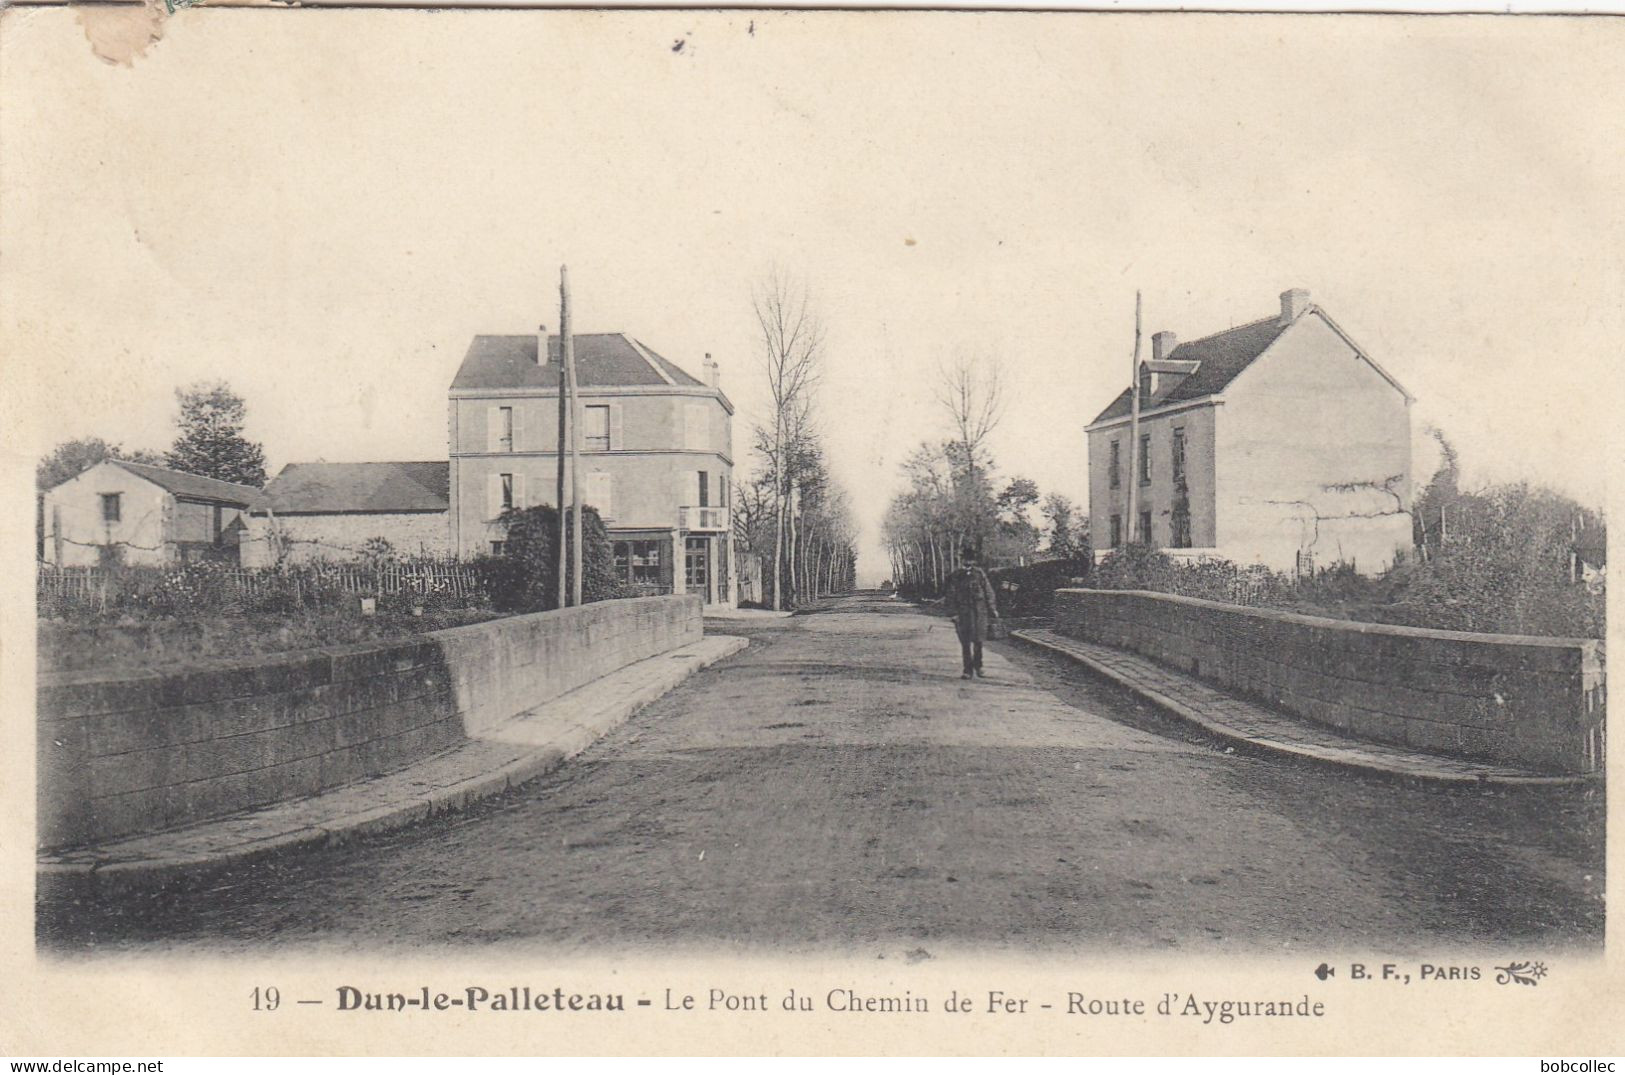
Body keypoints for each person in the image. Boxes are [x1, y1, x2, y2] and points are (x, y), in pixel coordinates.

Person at [943, 546, 1000, 679]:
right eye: (965, 559)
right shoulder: (955, 576)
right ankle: (967, 670)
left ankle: (979, 666)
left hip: (980, 612)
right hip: (963, 614)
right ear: (961, 560)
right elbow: (950, 595)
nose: (968, 562)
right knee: (965, 642)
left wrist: (992, 609)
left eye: (970, 559)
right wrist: (953, 613)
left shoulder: (980, 574)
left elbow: (988, 592)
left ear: (973, 560)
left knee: (979, 641)